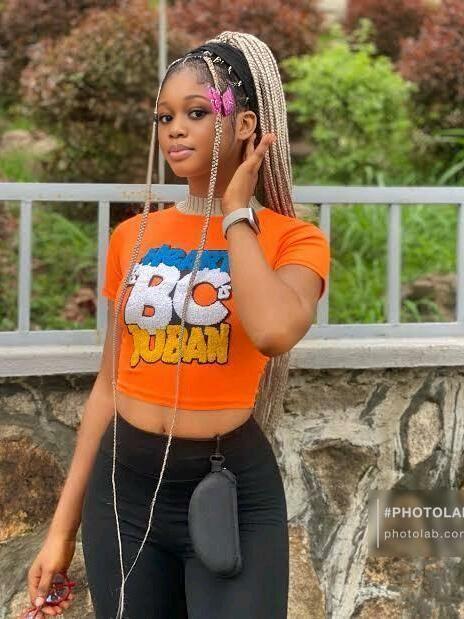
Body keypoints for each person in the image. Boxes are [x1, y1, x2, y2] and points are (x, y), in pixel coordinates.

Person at [25, 31, 330, 618]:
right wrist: (61, 531)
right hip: (123, 492)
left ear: (245, 125)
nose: (175, 130)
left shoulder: (294, 240)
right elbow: (108, 387)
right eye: (165, 117)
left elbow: (273, 332)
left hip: (229, 492)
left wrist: (235, 214)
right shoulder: (133, 236)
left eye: (196, 112)